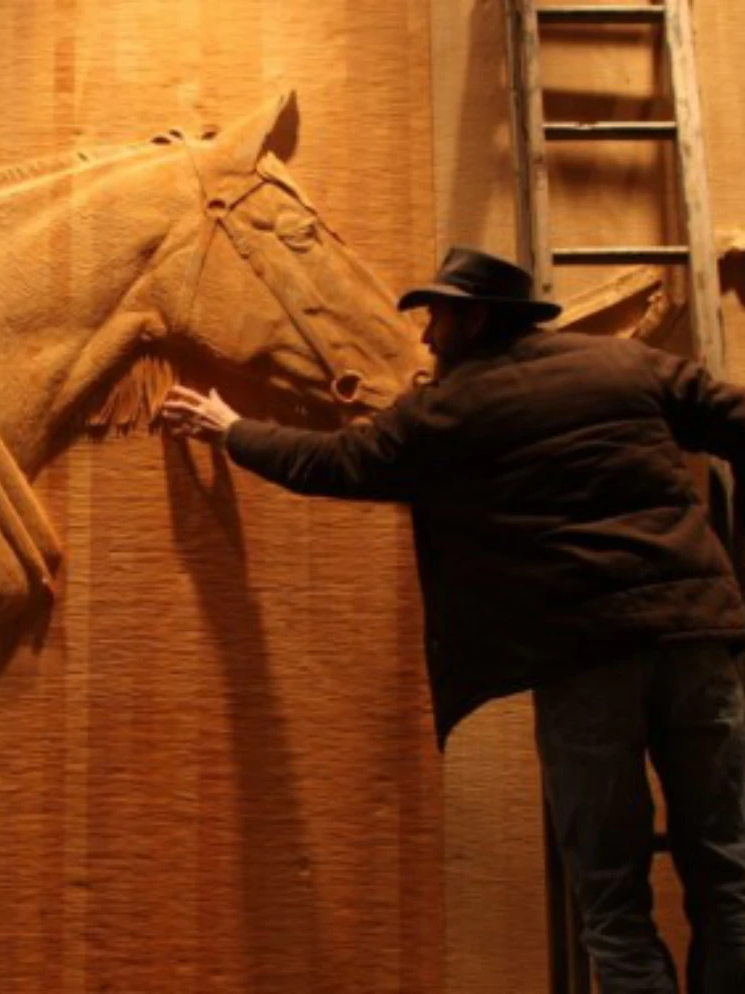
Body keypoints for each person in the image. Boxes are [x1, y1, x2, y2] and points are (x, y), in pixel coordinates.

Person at [161, 246, 745, 993]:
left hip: (585, 656)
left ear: (473, 319)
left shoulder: (449, 411)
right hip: (699, 638)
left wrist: (229, 428)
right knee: (727, 875)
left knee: (613, 901)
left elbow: (336, 464)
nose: (427, 337)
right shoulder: (626, 368)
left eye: (436, 316)